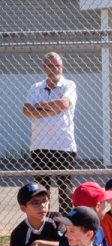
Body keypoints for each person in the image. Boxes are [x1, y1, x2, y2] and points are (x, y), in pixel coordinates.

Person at [22, 52, 77, 213]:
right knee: (41, 190)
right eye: (51, 66)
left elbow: (64, 104)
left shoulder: (69, 85)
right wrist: (50, 109)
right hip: (40, 145)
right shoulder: (36, 87)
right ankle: (43, 221)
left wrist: (40, 106)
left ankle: (66, 224)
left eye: (58, 65)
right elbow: (26, 110)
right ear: (44, 68)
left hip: (63, 146)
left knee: (64, 188)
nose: (55, 69)